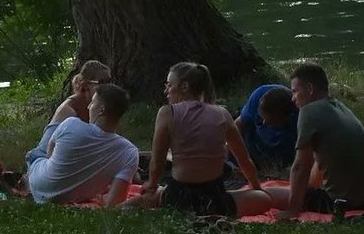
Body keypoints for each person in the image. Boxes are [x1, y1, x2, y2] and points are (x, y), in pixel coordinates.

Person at [131, 62, 271, 217]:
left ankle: (132, 205)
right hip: (215, 196)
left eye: (169, 85)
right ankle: (210, 210)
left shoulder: (167, 113)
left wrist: (151, 184)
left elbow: (158, 161)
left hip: (178, 196)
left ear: (184, 87)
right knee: (263, 198)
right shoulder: (222, 114)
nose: (166, 91)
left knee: (151, 196)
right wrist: (255, 186)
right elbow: (244, 160)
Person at [264, 62, 364, 219]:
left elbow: (301, 166)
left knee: (267, 194)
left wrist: (292, 210)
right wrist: (308, 188)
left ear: (310, 89)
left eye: (295, 91)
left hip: (344, 202)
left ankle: (226, 205)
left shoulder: (308, 111)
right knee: (300, 186)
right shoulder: (340, 107)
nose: (292, 98)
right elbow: (319, 162)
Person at [26, 82, 139, 207]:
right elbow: (114, 201)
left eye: (93, 102)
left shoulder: (71, 124)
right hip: (73, 197)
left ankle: (69, 102)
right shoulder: (130, 152)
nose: (89, 106)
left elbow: (49, 153)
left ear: (101, 109)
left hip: (39, 186)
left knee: (38, 153)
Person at [25, 60, 111, 166]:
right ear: (87, 85)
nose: (108, 88)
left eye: (109, 82)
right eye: (102, 83)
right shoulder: (68, 110)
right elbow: (50, 150)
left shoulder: (98, 107)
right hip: (42, 161)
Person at [235, 83, 298, 173]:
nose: (264, 122)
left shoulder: (299, 118)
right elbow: (238, 125)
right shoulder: (258, 96)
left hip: (282, 162)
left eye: (270, 121)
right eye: (262, 118)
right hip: (251, 153)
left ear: (286, 116)